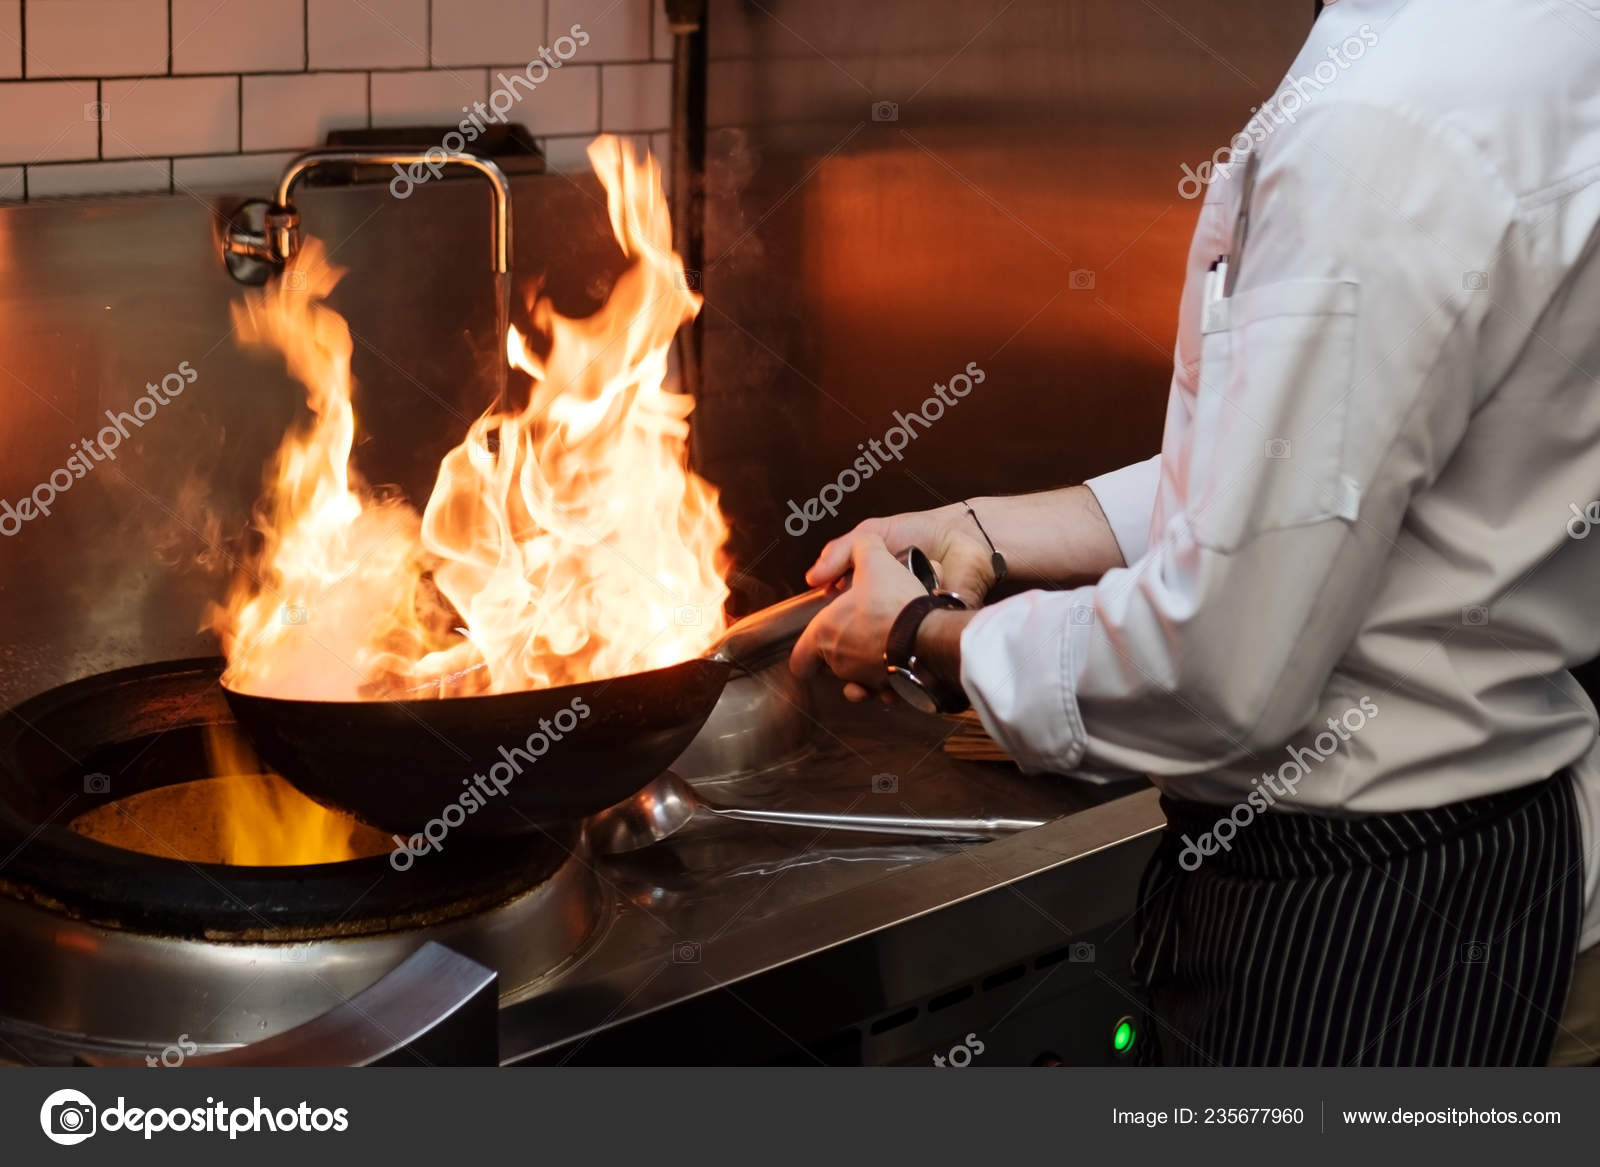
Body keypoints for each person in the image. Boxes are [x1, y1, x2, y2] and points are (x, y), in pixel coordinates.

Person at [789, 0, 1600, 1066]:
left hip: (1368, 914)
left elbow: (1222, 665)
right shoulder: (1542, 37)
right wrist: (989, 530)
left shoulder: (1378, 122)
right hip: (1502, 838)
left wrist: (924, 640)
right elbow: (1332, 461)